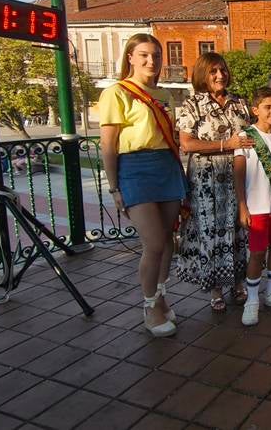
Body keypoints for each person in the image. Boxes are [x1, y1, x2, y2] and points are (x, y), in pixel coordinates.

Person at [100, 34, 186, 337]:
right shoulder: (117, 92)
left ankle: (160, 297)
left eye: (157, 55)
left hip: (166, 166)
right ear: (131, 58)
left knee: (169, 240)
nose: (152, 61)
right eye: (144, 55)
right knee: (154, 243)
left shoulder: (164, 94)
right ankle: (149, 306)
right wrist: (114, 187)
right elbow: (108, 145)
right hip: (135, 169)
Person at [175, 52, 254, 312]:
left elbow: (255, 132)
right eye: (213, 71)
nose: (220, 75)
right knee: (211, 232)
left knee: (238, 229)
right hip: (206, 183)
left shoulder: (239, 103)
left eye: (223, 70)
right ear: (203, 75)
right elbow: (187, 144)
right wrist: (225, 144)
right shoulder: (192, 106)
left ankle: (239, 282)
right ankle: (216, 288)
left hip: (238, 179)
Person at [233, 88, 271, 326]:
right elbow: (238, 174)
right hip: (256, 206)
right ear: (255, 110)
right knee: (257, 254)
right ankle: (252, 300)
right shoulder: (246, 136)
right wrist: (242, 206)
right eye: (267, 107)